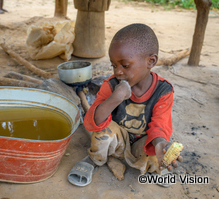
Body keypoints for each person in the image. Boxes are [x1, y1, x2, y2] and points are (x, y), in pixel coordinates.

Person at [68, 23, 183, 187]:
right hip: (117, 141)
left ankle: (148, 165)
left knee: (157, 153)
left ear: (151, 61)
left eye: (125, 65)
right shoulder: (112, 85)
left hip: (142, 144)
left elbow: (160, 125)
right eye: (114, 65)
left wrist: (160, 145)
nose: (118, 72)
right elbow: (92, 122)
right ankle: (95, 159)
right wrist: (116, 97)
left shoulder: (163, 91)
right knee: (102, 132)